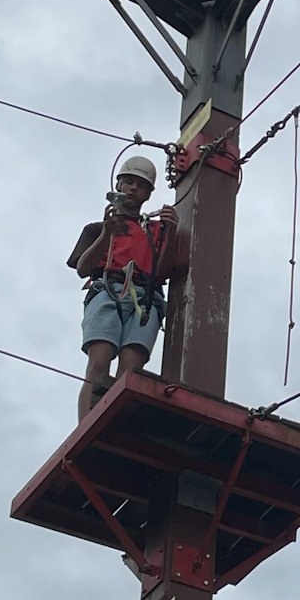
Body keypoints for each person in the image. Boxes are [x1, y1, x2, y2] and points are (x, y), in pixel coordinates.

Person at [69, 154, 178, 421]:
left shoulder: (157, 230)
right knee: (98, 363)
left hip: (146, 298)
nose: (132, 188)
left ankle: (114, 424)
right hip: (109, 288)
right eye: (128, 182)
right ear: (117, 186)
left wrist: (172, 233)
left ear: (148, 194)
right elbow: (83, 268)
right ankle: (87, 427)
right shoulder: (97, 228)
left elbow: (162, 272)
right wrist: (108, 233)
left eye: (139, 185)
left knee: (130, 371)